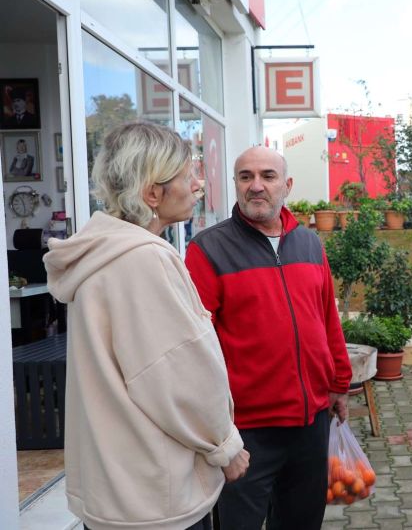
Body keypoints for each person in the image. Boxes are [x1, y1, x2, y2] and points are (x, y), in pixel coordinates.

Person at [43, 122, 249, 530]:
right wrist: (225, 446)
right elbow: (177, 375)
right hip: (156, 497)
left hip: (119, 490)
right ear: (153, 193)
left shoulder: (100, 256)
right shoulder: (142, 260)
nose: (197, 184)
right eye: (187, 175)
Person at [185, 146, 352, 530]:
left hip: (310, 423)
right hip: (247, 432)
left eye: (267, 176)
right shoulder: (208, 250)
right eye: (245, 177)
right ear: (235, 185)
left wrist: (339, 383)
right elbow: (196, 348)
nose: (256, 186)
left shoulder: (309, 243)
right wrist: (215, 427)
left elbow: (328, 319)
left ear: (287, 185)